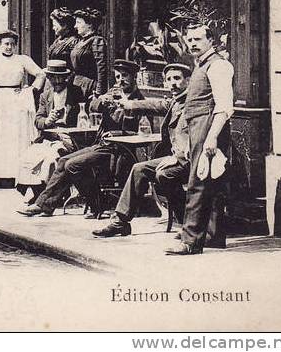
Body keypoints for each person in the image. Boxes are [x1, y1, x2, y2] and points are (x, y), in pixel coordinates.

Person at [18, 59, 152, 219]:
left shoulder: (139, 101)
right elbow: (91, 106)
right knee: (63, 161)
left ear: (134, 77)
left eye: (124, 76)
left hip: (121, 149)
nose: (121, 80)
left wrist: (117, 132)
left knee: (74, 165)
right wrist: (101, 101)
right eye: (117, 77)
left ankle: (97, 205)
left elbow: (143, 131)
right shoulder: (113, 94)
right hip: (102, 144)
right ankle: (44, 205)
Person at [94, 63, 192, 238]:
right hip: (175, 159)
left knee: (165, 175)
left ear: (188, 80)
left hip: (191, 160)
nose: (173, 83)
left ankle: (188, 223)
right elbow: (155, 104)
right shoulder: (174, 102)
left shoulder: (192, 102)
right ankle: (120, 222)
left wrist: (177, 157)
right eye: (169, 80)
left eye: (177, 78)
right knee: (139, 168)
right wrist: (129, 105)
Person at [166, 23, 234, 256]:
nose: (193, 43)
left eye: (198, 39)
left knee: (199, 180)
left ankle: (190, 241)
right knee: (212, 182)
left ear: (211, 40)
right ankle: (213, 236)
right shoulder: (201, 65)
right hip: (198, 128)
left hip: (208, 128)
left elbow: (224, 106)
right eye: (190, 39)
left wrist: (211, 137)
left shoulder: (219, 66)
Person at [0, 30, 45, 185]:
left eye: (12, 44)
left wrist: (31, 90)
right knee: (0, 138)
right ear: (0, 45)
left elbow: (41, 74)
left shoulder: (22, 60)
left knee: (16, 138)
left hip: (17, 101)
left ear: (15, 45)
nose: (9, 47)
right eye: (6, 44)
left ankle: (15, 175)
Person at [16, 60, 85, 200]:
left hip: (68, 137)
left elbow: (83, 118)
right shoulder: (45, 95)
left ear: (66, 77)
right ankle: (38, 192)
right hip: (49, 137)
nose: (57, 81)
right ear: (49, 78)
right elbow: (38, 120)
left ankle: (53, 196)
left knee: (50, 159)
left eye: (60, 77)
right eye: (53, 77)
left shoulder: (76, 92)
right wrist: (47, 121)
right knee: (28, 156)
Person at [70, 8, 110, 101]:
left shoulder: (97, 41)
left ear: (90, 25)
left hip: (89, 86)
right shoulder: (80, 41)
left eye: (79, 22)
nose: (75, 26)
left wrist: (99, 93)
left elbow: (101, 69)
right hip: (77, 85)